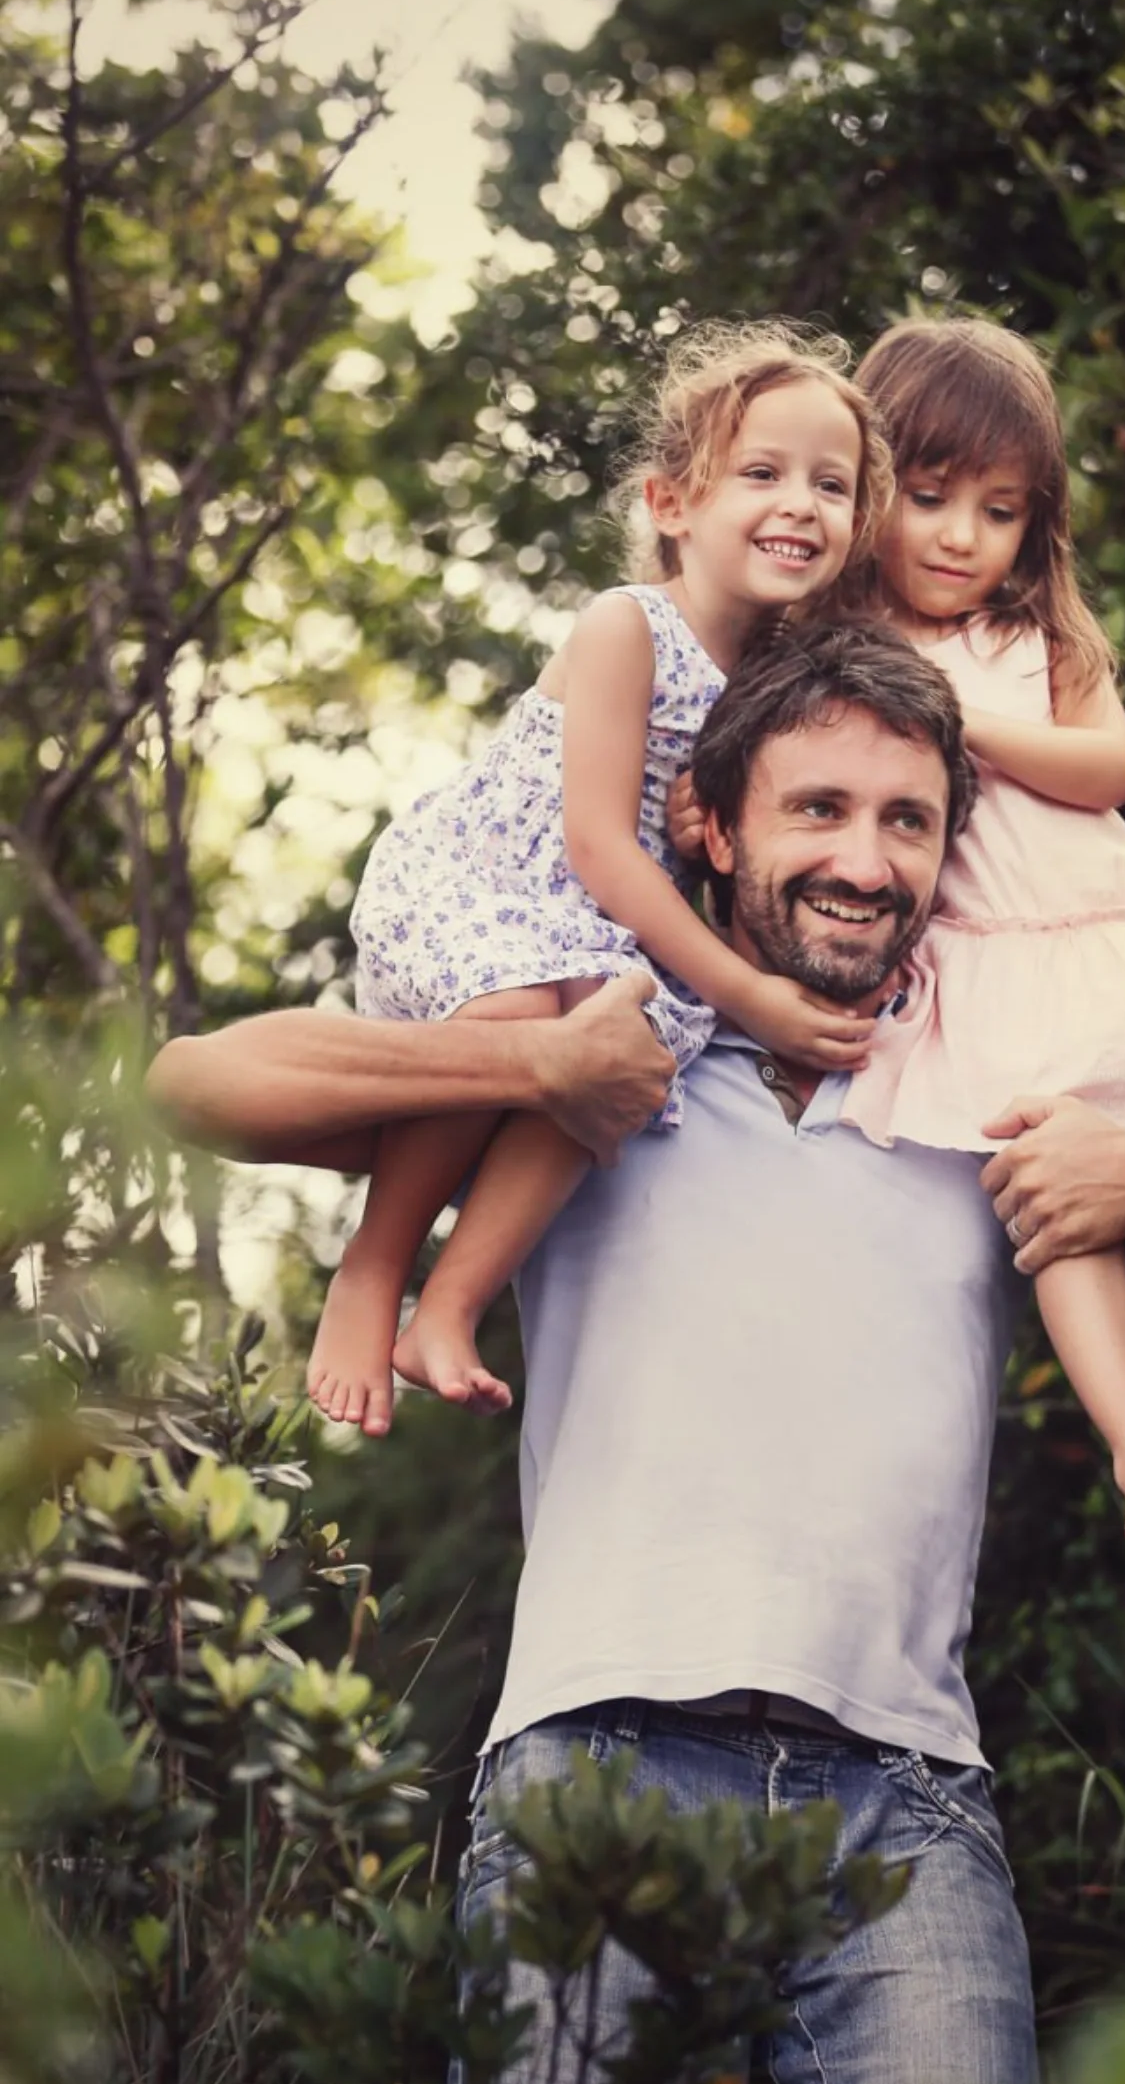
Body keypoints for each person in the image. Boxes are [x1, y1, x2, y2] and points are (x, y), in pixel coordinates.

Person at [147, 622, 1125, 2084]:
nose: (864, 859)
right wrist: (540, 1056)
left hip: (910, 1797)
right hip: (599, 1757)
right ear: (712, 825)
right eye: (816, 808)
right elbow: (196, 1080)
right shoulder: (610, 1068)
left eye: (907, 821)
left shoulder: (987, 1090)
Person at [676, 317, 1125, 1576]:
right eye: (935, 498)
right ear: (876, 493)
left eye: (1000, 511)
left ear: (1036, 524)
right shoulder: (842, 654)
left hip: (1109, 958)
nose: (962, 537)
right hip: (989, 970)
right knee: (1053, 1212)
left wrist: (967, 721)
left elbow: (1110, 767)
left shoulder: (1041, 643)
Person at [305, 321, 891, 1437]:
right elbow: (597, 845)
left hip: (610, 935)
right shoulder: (629, 625)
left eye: (832, 484)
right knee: (531, 1008)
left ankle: (452, 1302)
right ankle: (372, 1268)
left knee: (626, 1055)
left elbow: (706, 848)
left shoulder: (780, 681)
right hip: (491, 880)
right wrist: (752, 994)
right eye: (762, 474)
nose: (801, 503)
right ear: (673, 505)